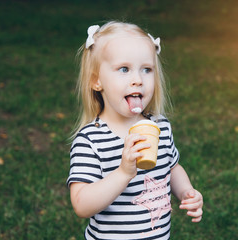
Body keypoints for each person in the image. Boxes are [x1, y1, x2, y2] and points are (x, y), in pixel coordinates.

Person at [67, 21, 203, 240]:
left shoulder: (159, 127)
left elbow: (172, 167)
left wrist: (186, 192)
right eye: (124, 69)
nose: (138, 80)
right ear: (96, 81)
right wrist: (123, 173)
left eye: (146, 69)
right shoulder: (91, 140)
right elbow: (82, 205)